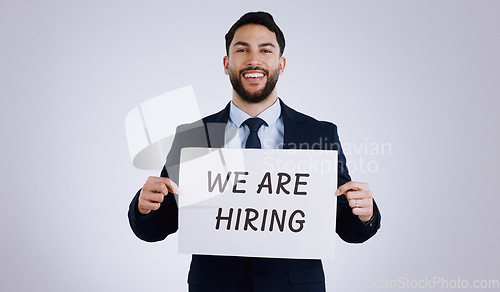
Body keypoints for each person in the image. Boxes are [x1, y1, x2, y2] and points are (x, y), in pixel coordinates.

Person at [128, 11, 381, 292]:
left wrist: (365, 213)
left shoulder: (319, 134)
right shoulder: (193, 137)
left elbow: (345, 225)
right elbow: (158, 226)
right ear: (226, 63)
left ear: (281, 64)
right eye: (242, 49)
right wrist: (145, 206)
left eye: (265, 50)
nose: (253, 59)